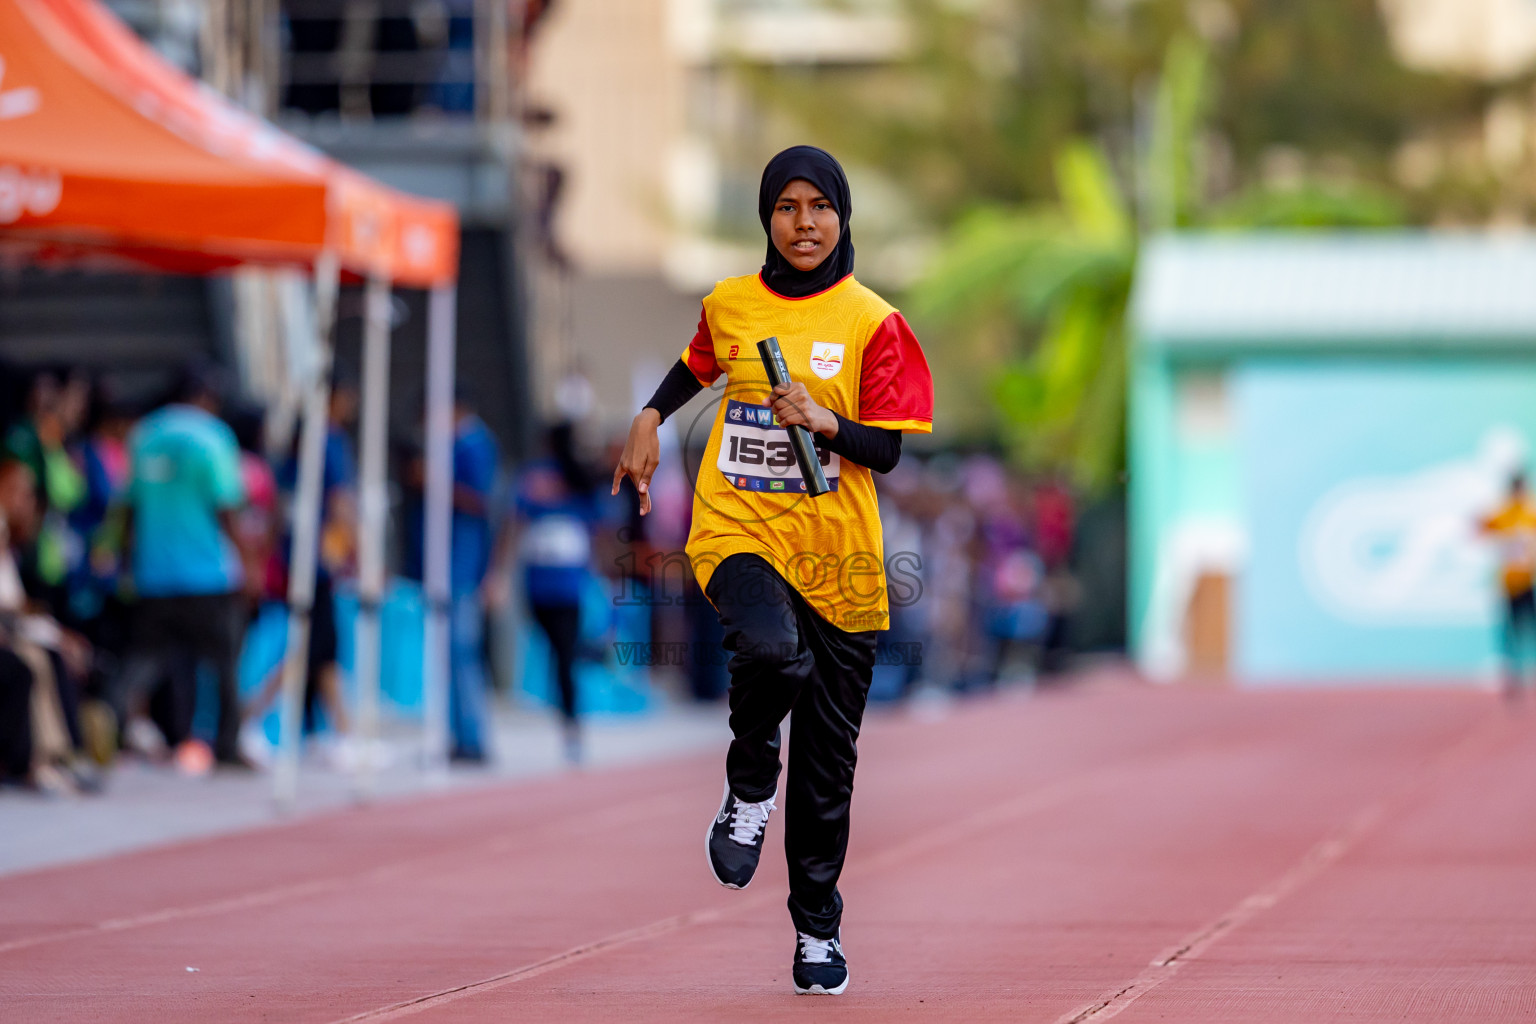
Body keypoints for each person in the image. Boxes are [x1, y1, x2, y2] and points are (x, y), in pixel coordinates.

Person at [612, 146, 933, 996]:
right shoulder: (730, 305)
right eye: (787, 206)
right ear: (767, 217)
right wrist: (650, 416)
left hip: (842, 560)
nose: (803, 222)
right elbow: (696, 364)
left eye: (818, 206)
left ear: (842, 216)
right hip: (741, 528)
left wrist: (825, 420)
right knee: (768, 651)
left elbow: (889, 451)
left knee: (828, 765)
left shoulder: (875, 322)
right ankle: (748, 783)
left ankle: (817, 932)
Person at [113, 365, 251, 769]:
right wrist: (246, 558)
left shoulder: (143, 435)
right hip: (206, 572)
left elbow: (129, 506)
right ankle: (226, 746)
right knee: (223, 664)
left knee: (143, 660)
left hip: (153, 571)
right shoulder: (212, 436)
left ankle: (109, 722)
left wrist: (126, 560)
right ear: (206, 397)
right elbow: (226, 506)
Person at [486, 423, 597, 763]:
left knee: (561, 653)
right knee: (560, 654)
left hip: (548, 580)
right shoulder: (565, 476)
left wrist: (499, 572)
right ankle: (569, 717)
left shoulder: (558, 476)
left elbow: (511, 526)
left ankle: (569, 720)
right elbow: (598, 527)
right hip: (557, 579)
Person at [1480, 472, 1536, 698]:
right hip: (1508, 584)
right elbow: (1481, 525)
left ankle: (1518, 674)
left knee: (1528, 629)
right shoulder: (1504, 513)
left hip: (1526, 582)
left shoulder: (1528, 512)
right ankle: (1512, 678)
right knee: (1510, 633)